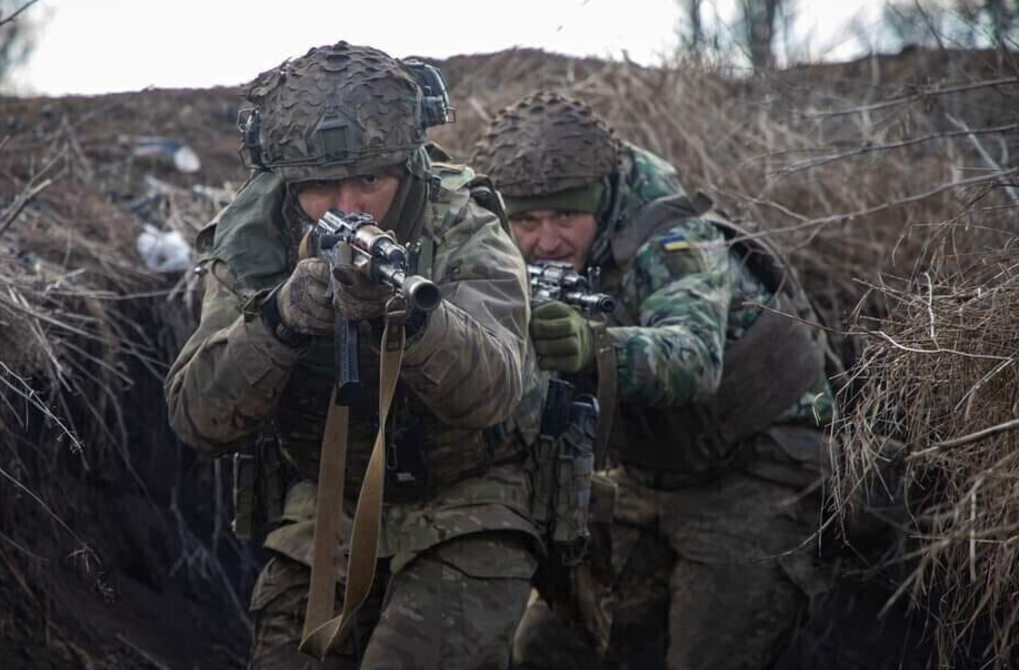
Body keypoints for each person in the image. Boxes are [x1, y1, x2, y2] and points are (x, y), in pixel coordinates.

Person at [165, 42, 545, 670]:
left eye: (370, 180)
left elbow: (495, 391)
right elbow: (197, 417)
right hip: (327, 511)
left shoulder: (464, 226)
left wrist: (412, 323)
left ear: (405, 168)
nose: (347, 208)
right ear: (289, 185)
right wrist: (281, 320)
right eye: (320, 187)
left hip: (466, 504)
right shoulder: (255, 242)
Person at [472, 91, 833, 670]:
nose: (547, 242)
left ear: (601, 201)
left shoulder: (672, 238)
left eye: (566, 218)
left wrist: (595, 348)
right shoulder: (498, 247)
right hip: (646, 477)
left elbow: (693, 358)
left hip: (759, 471)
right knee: (544, 649)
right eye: (528, 222)